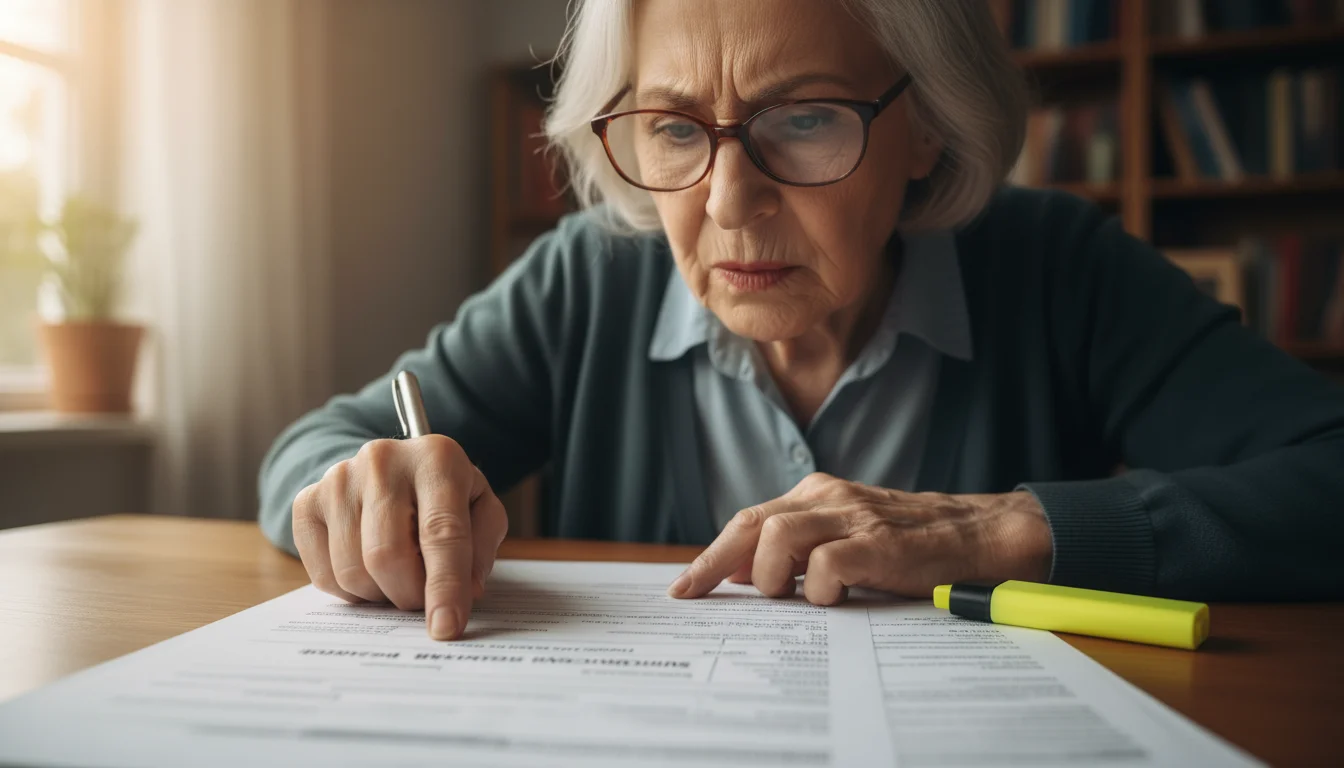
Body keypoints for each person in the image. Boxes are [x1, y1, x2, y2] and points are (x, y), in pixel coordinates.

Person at [259, 0, 1344, 641]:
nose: (730, 202)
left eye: (806, 119)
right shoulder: (586, 281)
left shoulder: (1058, 271)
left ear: (929, 128)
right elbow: (319, 450)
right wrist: (357, 490)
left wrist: (1005, 531)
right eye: (675, 129)